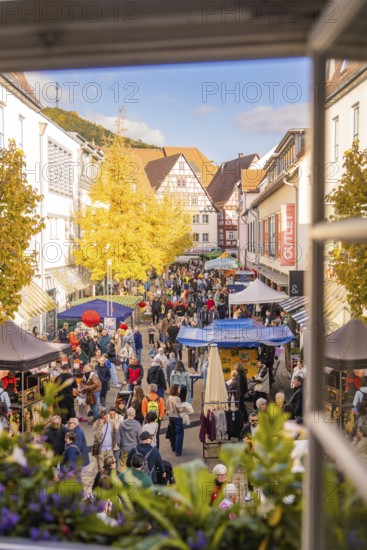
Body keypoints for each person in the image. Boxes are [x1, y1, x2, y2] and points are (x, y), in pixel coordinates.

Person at [117, 407, 142, 472]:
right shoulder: (137, 424)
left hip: (124, 448)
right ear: (134, 414)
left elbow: (118, 438)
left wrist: (120, 446)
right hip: (134, 448)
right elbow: (140, 438)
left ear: (127, 414)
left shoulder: (122, 424)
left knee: (123, 465)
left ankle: (123, 479)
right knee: (134, 465)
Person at [166, 384, 184, 457]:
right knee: (179, 434)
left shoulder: (169, 397)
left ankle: (173, 447)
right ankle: (178, 450)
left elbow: (166, 406)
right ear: (176, 389)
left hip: (171, 417)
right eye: (179, 388)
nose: (180, 390)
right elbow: (179, 408)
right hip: (177, 417)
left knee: (173, 433)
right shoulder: (177, 398)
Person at [108, 407, 124, 472]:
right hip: (109, 444)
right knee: (110, 460)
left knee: (116, 459)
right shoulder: (107, 419)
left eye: (113, 414)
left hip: (117, 444)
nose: (112, 416)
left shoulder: (120, 418)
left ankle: (116, 471)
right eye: (110, 414)